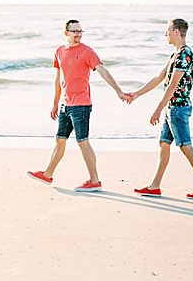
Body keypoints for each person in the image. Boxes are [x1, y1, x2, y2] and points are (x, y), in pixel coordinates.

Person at [28, 19, 128, 192]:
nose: (78, 35)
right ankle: (48, 174)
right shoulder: (59, 51)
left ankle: (95, 180)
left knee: (83, 142)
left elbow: (103, 71)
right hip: (65, 105)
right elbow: (59, 80)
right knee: (60, 140)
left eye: (80, 31)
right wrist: (54, 103)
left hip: (81, 105)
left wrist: (118, 91)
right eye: (75, 31)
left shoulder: (87, 52)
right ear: (66, 33)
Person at [126, 18, 193, 199]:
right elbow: (159, 78)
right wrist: (136, 94)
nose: (165, 34)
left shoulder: (184, 54)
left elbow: (173, 85)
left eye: (167, 30)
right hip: (171, 109)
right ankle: (155, 186)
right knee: (164, 144)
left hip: (178, 109)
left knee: (185, 146)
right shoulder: (175, 55)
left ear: (176, 32)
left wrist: (158, 109)